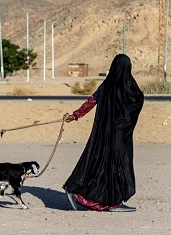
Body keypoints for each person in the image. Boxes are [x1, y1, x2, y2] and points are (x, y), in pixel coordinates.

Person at [61, 53, 144, 211]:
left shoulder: (106, 85)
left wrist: (76, 115)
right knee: (119, 166)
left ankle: (80, 191)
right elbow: (137, 101)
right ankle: (112, 202)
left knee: (98, 164)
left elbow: (91, 101)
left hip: (103, 135)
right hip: (119, 138)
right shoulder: (129, 86)